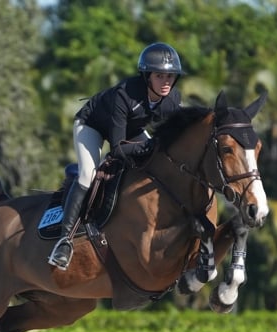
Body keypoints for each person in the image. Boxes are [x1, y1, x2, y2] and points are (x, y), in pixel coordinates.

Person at [48, 42, 185, 270]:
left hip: (130, 130)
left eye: (170, 77)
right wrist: (152, 147)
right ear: (147, 76)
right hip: (92, 126)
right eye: (160, 76)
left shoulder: (172, 99)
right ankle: (65, 240)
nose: (166, 82)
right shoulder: (125, 95)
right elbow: (118, 149)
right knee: (87, 175)